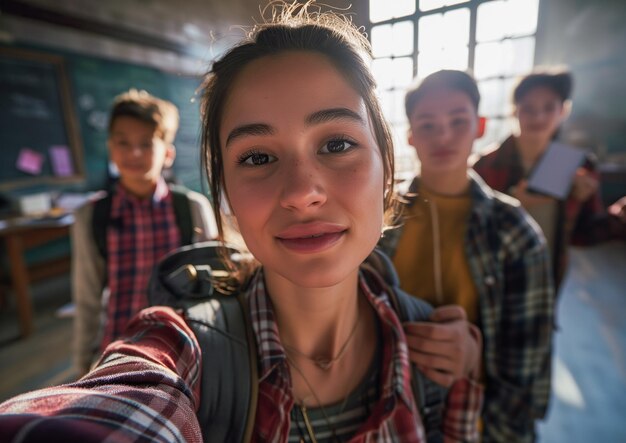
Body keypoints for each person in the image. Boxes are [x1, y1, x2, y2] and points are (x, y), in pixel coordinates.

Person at [0, 3, 484, 442]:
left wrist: (470, 361)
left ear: (387, 170)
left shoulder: (432, 345)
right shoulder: (187, 350)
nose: (300, 192)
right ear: (225, 193)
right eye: (256, 156)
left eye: (337, 144)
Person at [378, 70, 555, 442]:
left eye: (458, 121)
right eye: (427, 125)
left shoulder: (513, 230)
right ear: (410, 136)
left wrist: (475, 361)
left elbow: (526, 361)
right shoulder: (379, 218)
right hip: (388, 405)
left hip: (472, 414)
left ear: (480, 125)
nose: (442, 136)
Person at [72, 89, 218, 376]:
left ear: (168, 153)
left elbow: (212, 290)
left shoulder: (192, 209)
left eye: (146, 143)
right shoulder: (92, 216)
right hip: (118, 352)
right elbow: (87, 296)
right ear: (111, 148)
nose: (134, 153)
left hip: (182, 349)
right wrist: (81, 364)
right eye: (122, 142)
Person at [472, 69, 626, 288]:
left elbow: (585, 234)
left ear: (563, 111)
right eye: (529, 108)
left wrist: (614, 214)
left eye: (548, 107)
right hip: (493, 273)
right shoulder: (486, 165)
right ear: (514, 111)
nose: (538, 117)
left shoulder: (574, 165)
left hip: (547, 272)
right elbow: (469, 230)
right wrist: (512, 204)